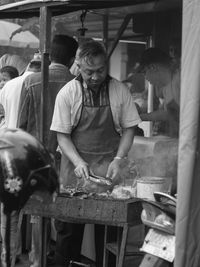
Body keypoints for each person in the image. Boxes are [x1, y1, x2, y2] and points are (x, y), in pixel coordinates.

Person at [50, 39, 141, 267]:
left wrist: (119, 158)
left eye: (100, 70)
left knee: (109, 241)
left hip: (109, 176)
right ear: (78, 66)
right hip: (74, 176)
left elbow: (130, 128)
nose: (95, 76)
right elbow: (62, 135)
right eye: (89, 71)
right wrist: (79, 162)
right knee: (68, 238)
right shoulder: (68, 93)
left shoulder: (119, 90)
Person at [17, 34, 78, 267]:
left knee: (38, 213)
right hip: (68, 156)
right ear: (73, 58)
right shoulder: (75, 82)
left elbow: (22, 125)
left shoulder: (30, 81)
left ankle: (36, 259)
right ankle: (62, 259)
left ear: (49, 55)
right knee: (64, 211)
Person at [0, 56, 41, 267]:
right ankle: (35, 258)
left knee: (10, 211)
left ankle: (8, 256)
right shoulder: (39, 84)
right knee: (37, 211)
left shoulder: (9, 86)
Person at [137, 47, 180, 137]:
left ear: (153, 67)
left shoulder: (179, 80)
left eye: (144, 72)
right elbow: (166, 114)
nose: (146, 77)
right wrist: (139, 117)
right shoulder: (166, 88)